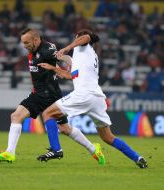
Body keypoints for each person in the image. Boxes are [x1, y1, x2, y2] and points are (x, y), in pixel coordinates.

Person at [0, 28, 105, 164]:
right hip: (43, 93)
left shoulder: (47, 50)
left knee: (16, 116)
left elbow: (64, 57)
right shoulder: (34, 50)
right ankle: (94, 149)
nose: (24, 46)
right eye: (23, 43)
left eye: (27, 43)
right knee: (64, 128)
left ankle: (10, 153)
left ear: (36, 40)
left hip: (47, 94)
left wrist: (74, 65)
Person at [38, 29, 148, 168]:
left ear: (78, 38)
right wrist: (53, 68)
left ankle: (56, 149)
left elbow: (86, 37)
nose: (75, 40)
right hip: (97, 98)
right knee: (108, 137)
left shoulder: (83, 47)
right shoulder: (84, 57)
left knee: (48, 113)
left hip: (84, 94)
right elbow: (70, 75)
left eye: (76, 38)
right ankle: (138, 158)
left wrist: (67, 47)